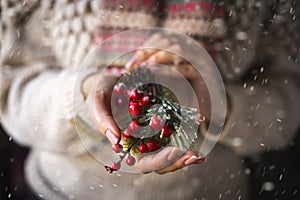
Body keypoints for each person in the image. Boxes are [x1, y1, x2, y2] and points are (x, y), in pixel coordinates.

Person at [1, 0, 299, 199]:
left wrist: (214, 103)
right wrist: (83, 94)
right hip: (61, 191)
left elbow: (286, 107)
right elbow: (11, 95)